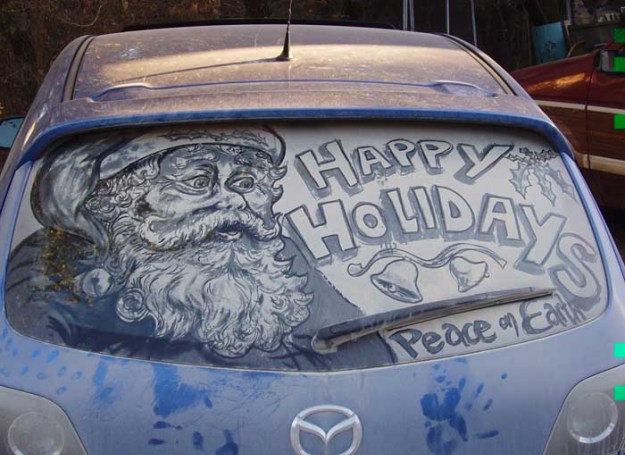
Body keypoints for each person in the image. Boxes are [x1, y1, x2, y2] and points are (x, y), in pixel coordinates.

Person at [6, 126, 391, 370]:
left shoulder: (270, 254)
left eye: (245, 183)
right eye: (197, 182)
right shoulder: (59, 264)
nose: (231, 201)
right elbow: (37, 379)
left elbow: (365, 353)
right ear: (124, 200)